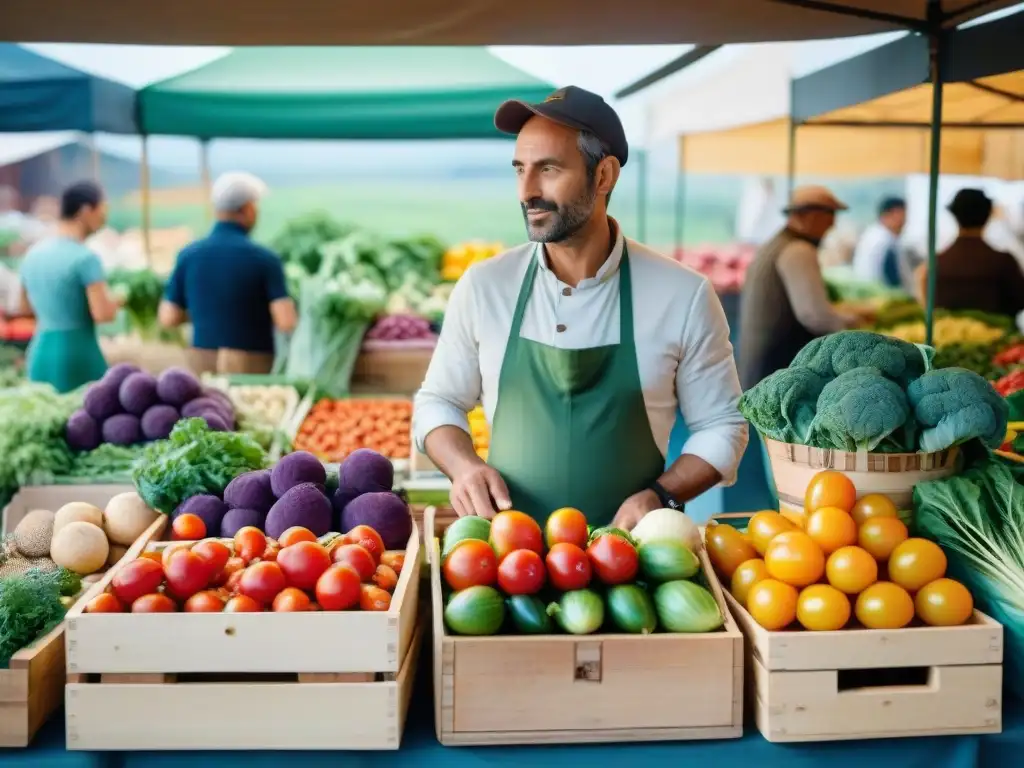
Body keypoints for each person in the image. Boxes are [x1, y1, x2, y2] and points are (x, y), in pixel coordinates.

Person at [413, 86, 748, 529]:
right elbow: (438, 401)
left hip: (632, 562)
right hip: (510, 560)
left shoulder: (682, 295)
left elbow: (723, 425)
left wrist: (662, 495)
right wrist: (464, 466)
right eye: (520, 170)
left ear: (604, 176)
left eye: (548, 169)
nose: (527, 191)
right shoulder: (485, 286)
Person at [158, 172, 297, 375]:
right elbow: (286, 321)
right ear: (248, 209)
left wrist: (205, 312)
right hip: (252, 365)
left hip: (202, 362)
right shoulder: (265, 258)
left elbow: (168, 317)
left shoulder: (188, 255)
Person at [737, 185, 862, 392]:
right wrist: (852, 327)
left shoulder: (776, 244)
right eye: (830, 215)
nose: (833, 223)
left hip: (759, 361)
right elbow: (814, 315)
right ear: (811, 215)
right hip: (778, 365)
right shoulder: (798, 250)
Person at [18, 181, 122, 392]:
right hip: (78, 354)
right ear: (85, 210)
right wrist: (121, 298)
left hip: (40, 353)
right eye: (102, 210)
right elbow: (102, 314)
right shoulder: (85, 258)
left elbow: (23, 308)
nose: (104, 218)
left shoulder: (32, 254)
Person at [916, 188, 1024, 318]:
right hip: (998, 335)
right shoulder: (1003, 262)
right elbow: (1019, 301)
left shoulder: (935, 264)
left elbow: (927, 305)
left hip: (945, 334)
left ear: (954, 215)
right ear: (988, 215)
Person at [851, 196, 906, 287]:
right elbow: (893, 279)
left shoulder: (873, 233)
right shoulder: (884, 239)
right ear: (886, 216)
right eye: (901, 215)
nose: (904, 221)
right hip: (878, 292)